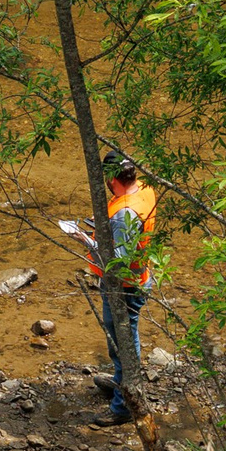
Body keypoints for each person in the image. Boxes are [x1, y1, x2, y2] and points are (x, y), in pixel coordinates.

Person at [87, 151, 157, 425]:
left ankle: (124, 406)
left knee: (122, 342)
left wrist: (88, 242)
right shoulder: (145, 191)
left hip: (125, 287)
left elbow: (120, 260)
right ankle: (120, 382)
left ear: (111, 178)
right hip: (140, 278)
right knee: (123, 339)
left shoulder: (124, 213)